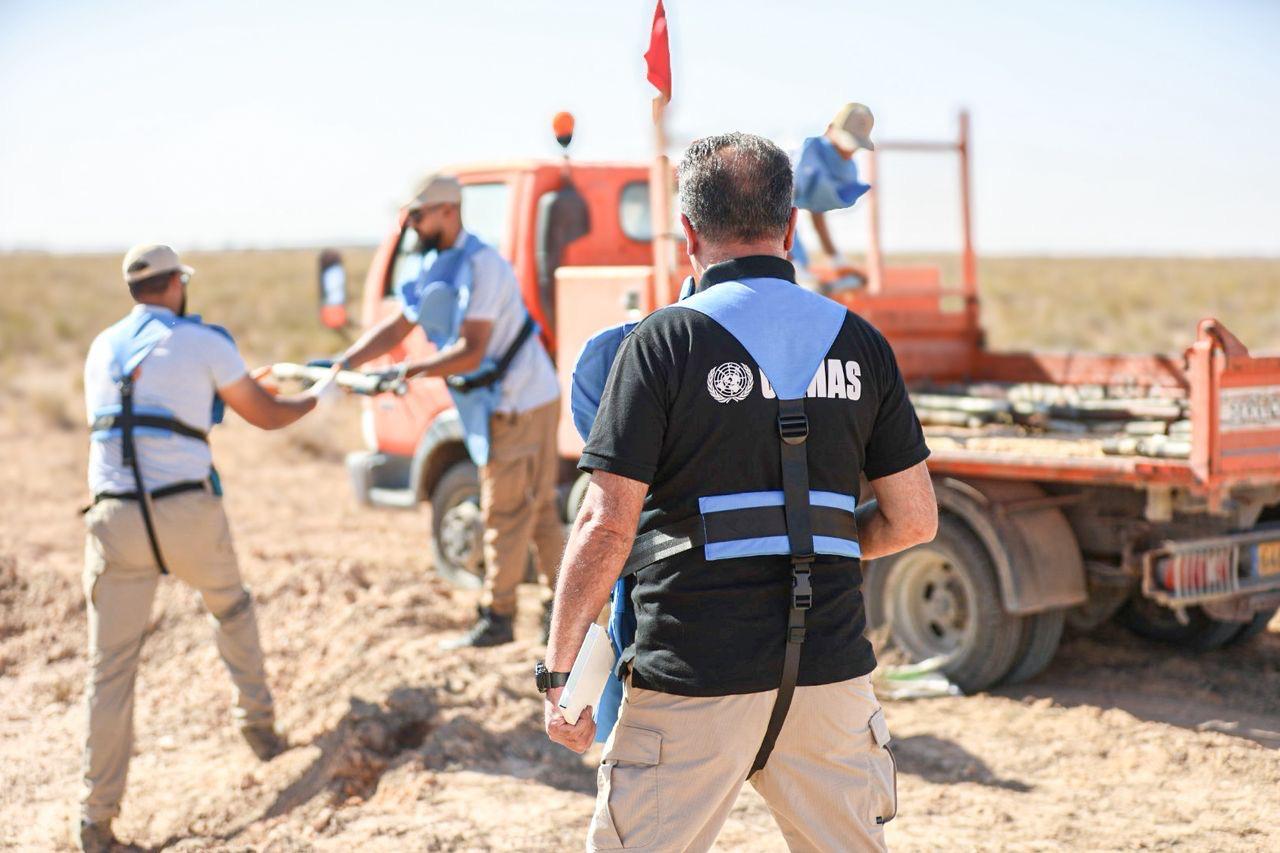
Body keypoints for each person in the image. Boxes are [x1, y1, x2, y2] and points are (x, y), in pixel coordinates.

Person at [541, 133, 937, 851]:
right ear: (791, 226)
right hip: (831, 678)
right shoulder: (861, 342)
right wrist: (822, 540)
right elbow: (914, 519)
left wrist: (561, 672)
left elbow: (605, 525)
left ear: (687, 232)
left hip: (695, 677)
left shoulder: (660, 343)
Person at [79, 244, 336, 852]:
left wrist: (233, 384)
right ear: (177, 284)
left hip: (114, 518)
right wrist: (319, 395)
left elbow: (155, 408)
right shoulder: (203, 340)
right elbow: (266, 415)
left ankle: (95, 818)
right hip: (186, 511)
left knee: (109, 670)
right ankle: (259, 728)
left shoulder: (101, 347)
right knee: (231, 609)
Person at [338, 174, 563, 648]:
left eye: (417, 215)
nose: (410, 225)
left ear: (447, 210)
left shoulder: (483, 265)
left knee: (504, 510)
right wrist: (346, 362)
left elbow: (472, 350)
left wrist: (407, 371)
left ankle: (498, 616)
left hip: (520, 399)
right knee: (538, 506)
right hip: (514, 397)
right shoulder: (436, 264)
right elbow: (399, 324)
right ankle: (561, 611)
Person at [792, 102, 876, 279]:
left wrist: (836, 260)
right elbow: (778, 212)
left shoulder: (838, 166)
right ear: (831, 130)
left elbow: (817, 210)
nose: (849, 152)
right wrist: (792, 262)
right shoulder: (802, 160)